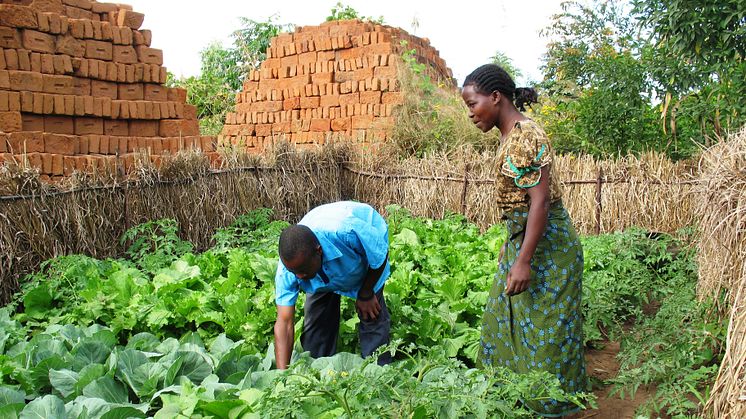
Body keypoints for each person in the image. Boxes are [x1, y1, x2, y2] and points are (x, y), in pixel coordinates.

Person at [461, 64, 587, 417]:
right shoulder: (509, 136)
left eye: (473, 104)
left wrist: (524, 260)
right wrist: (511, 242)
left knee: (547, 333)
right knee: (503, 319)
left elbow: (540, 201)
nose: (470, 114)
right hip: (526, 240)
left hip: (551, 250)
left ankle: (553, 408)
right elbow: (520, 201)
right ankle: (517, 401)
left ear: (496, 97)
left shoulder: (526, 135)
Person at [273, 201, 392, 370]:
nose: (299, 276)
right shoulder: (290, 269)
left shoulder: (347, 232)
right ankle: (319, 373)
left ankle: (379, 374)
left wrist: (366, 292)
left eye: (303, 270)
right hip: (319, 271)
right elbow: (284, 322)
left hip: (358, 258)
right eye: (294, 272)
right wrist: (281, 376)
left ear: (319, 251)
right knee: (317, 322)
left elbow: (379, 254)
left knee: (371, 314)